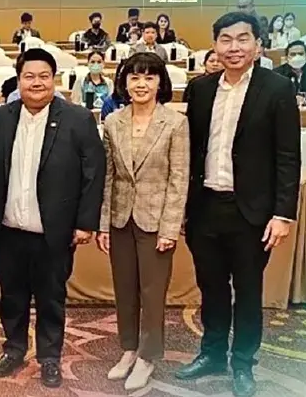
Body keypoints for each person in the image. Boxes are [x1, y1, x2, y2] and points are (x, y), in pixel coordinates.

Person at [175, 12, 300, 397]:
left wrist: (282, 214)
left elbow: (288, 156)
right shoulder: (200, 89)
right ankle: (212, 353)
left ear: (258, 45)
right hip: (205, 208)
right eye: (225, 39)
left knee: (247, 291)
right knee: (210, 287)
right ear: (215, 45)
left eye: (242, 39)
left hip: (252, 213)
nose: (234, 47)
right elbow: (191, 152)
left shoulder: (277, 89)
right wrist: (182, 209)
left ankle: (243, 362)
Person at [0, 48, 105, 389]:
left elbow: (94, 173)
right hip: (8, 230)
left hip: (53, 232)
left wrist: (85, 223)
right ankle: (14, 349)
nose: (36, 83)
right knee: (12, 296)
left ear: (55, 79)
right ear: (18, 80)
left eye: (43, 76)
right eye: (29, 76)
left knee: (51, 298)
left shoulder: (78, 120)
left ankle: (50, 357)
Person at [96, 53, 189, 392]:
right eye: (134, 77)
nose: (141, 84)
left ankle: (148, 356)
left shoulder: (175, 123)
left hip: (156, 220)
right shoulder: (113, 121)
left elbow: (179, 179)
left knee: (151, 293)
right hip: (121, 217)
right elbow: (108, 177)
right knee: (124, 289)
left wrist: (170, 228)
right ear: (124, 82)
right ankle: (129, 349)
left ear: (160, 83)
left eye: (149, 77)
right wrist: (103, 224)